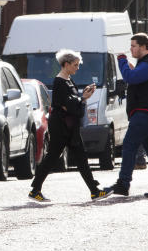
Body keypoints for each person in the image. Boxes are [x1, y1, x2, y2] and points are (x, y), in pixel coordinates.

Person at [29, 49, 112, 202]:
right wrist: (83, 99)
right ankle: (35, 189)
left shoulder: (68, 79)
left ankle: (94, 190)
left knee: (78, 158)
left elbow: (73, 103)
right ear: (66, 64)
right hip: (62, 126)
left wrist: (82, 98)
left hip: (69, 126)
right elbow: (69, 105)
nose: (77, 68)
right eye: (75, 65)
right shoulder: (60, 81)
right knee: (54, 156)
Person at [106, 33, 148, 198]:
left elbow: (131, 77)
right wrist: (130, 67)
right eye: (131, 46)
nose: (131, 49)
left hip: (146, 113)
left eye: (134, 46)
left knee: (129, 145)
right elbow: (136, 77)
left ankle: (123, 184)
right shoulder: (147, 63)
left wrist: (121, 60)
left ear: (144, 47)